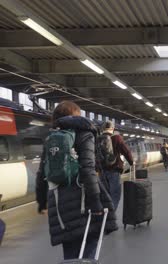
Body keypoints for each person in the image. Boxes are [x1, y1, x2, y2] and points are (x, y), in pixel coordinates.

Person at [35, 101, 117, 260]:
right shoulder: (84, 133)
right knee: (88, 252)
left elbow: (41, 173)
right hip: (83, 202)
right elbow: (88, 169)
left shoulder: (52, 138)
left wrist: (42, 202)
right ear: (76, 115)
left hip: (60, 207)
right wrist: (96, 204)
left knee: (71, 254)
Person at [99, 120, 134, 211]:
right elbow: (126, 151)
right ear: (113, 128)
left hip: (102, 172)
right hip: (114, 170)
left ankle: (105, 216)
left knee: (106, 195)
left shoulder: (98, 138)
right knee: (115, 195)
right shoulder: (117, 138)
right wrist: (131, 162)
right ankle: (111, 216)